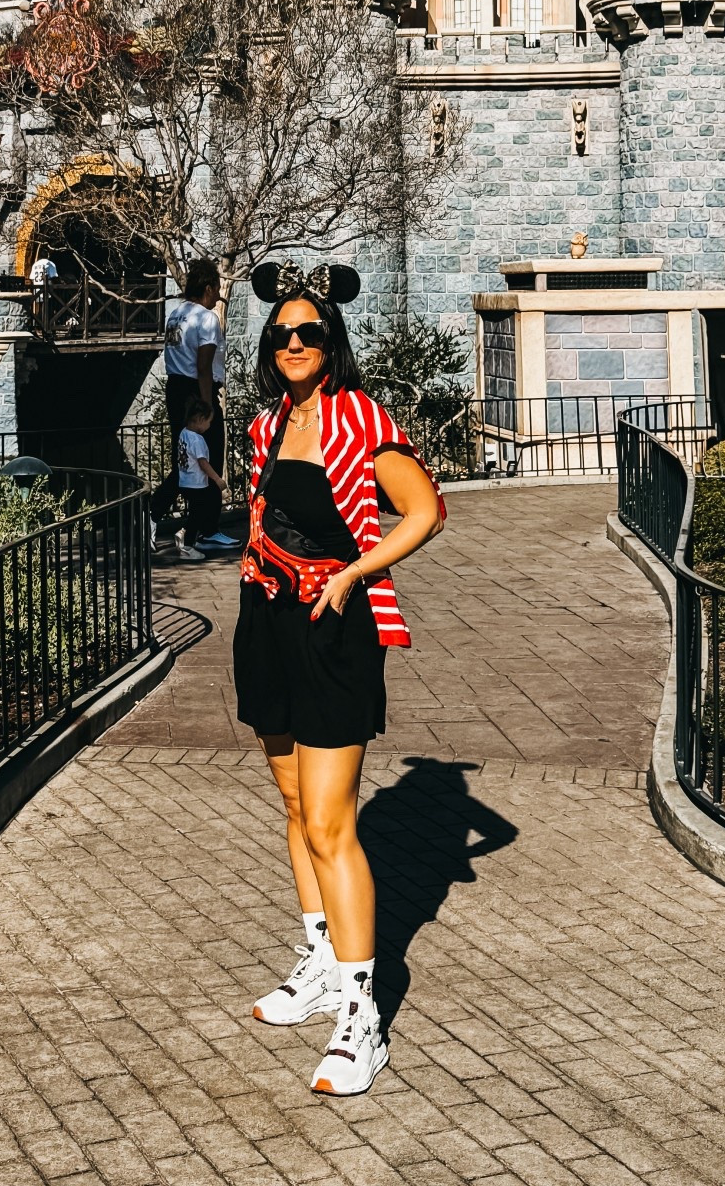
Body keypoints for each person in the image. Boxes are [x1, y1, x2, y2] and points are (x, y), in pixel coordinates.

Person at [234, 261, 444, 1097]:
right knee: (291, 807)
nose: (293, 344)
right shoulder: (264, 426)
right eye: (281, 334)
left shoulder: (363, 419)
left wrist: (356, 573)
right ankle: (319, 960)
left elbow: (424, 510)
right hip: (267, 621)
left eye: (309, 333)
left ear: (332, 342)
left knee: (331, 823)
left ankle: (364, 1013)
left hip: (334, 628)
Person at [161, 260, 232, 551]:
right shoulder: (207, 318)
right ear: (207, 287)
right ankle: (208, 527)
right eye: (216, 289)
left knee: (185, 456)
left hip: (175, 388)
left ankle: (164, 514)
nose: (218, 295)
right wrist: (207, 406)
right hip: (197, 390)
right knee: (210, 455)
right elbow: (204, 366)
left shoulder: (175, 315)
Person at [173, 400, 224, 562]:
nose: (209, 425)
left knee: (196, 512)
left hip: (185, 481)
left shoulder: (183, 433)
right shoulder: (197, 440)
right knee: (198, 514)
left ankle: (184, 533)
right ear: (200, 419)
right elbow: (203, 463)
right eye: (208, 421)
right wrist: (217, 479)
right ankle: (187, 545)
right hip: (196, 484)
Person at [29, 248, 58, 336]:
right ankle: (46, 328)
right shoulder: (49, 264)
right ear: (48, 255)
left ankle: (40, 326)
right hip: (47, 290)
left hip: (37, 289)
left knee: (42, 307)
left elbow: (31, 277)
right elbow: (53, 277)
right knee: (48, 309)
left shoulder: (35, 264)